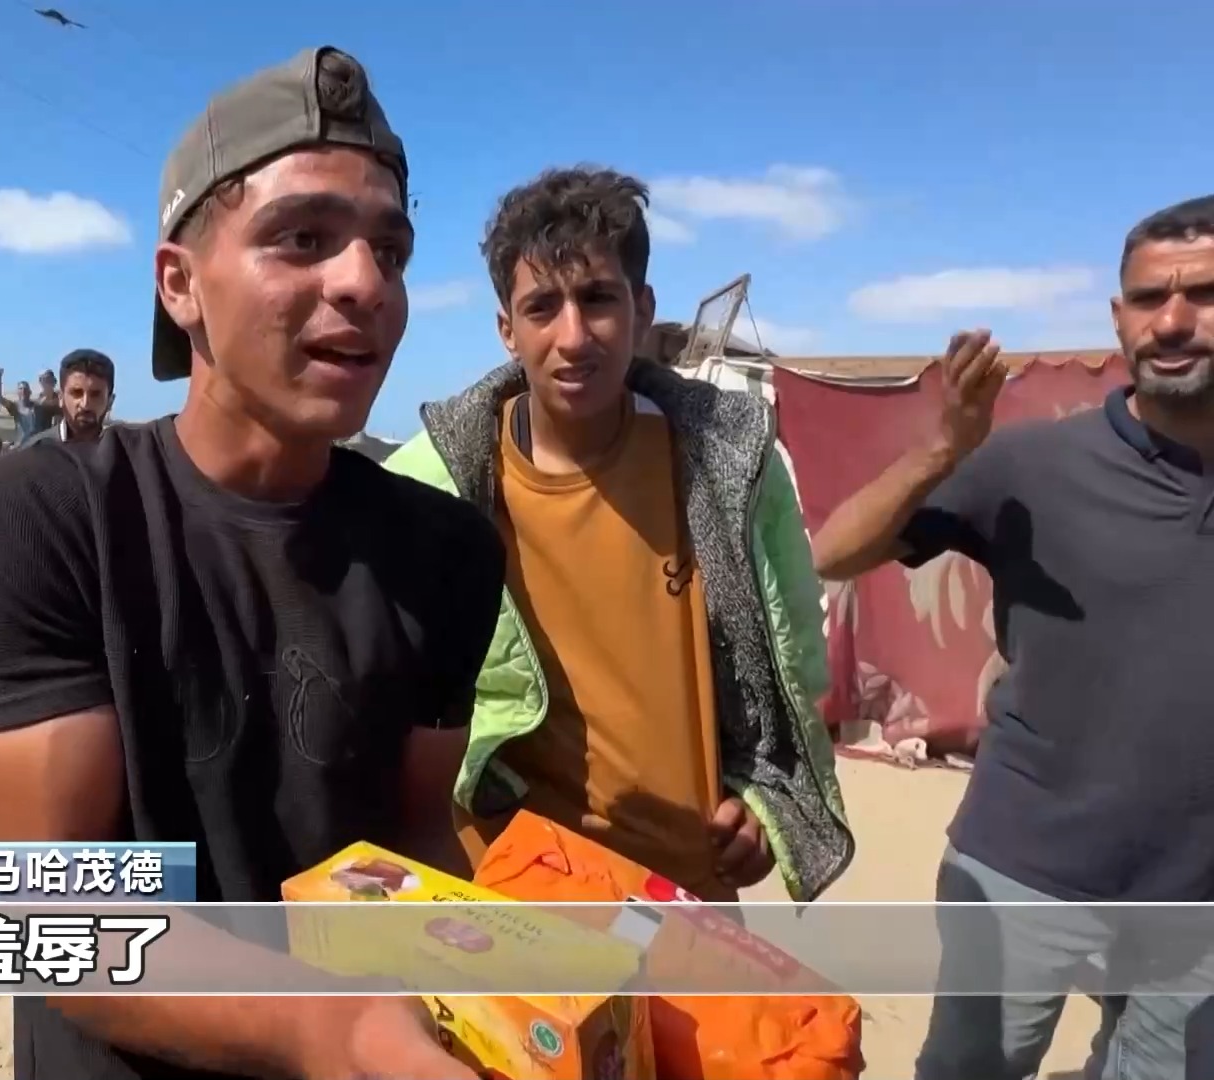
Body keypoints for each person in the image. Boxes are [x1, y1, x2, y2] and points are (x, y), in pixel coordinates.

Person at [0, 46, 503, 1080]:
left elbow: (420, 829)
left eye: (390, 249)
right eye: (303, 238)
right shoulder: (45, 518)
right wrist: (331, 1032)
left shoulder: (449, 550)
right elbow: (60, 922)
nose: (366, 283)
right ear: (180, 283)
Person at [810, 195, 1214, 1080]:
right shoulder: (1036, 465)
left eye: (1204, 294)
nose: (1174, 321)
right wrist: (943, 450)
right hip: (1022, 871)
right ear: (1120, 318)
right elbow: (835, 551)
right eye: (1151, 298)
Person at [384, 166, 851, 902]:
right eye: (542, 307)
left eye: (598, 298)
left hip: (682, 889)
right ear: (507, 330)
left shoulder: (726, 462)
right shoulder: (432, 485)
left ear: (642, 309)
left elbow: (793, 655)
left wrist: (765, 799)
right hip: (510, 890)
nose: (573, 337)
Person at [17, 349, 115, 448]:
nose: (85, 404)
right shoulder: (34, 451)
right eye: (77, 393)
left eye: (95, 395)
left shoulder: (120, 453)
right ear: (61, 397)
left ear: (110, 401)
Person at [0, 362, 60, 443]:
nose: (23, 391)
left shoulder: (38, 406)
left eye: (25, 389)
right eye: (20, 389)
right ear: (17, 392)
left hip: (36, 445)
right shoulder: (15, 407)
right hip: (21, 445)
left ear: (30, 392)